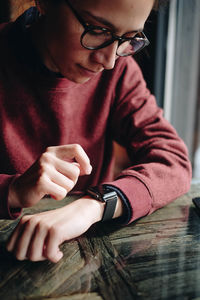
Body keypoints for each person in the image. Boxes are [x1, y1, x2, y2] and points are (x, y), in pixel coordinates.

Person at [0, 0, 191, 263]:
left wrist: (94, 206)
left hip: (88, 258)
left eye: (129, 38)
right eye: (98, 29)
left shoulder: (119, 72)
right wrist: (12, 190)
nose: (109, 60)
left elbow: (173, 160)